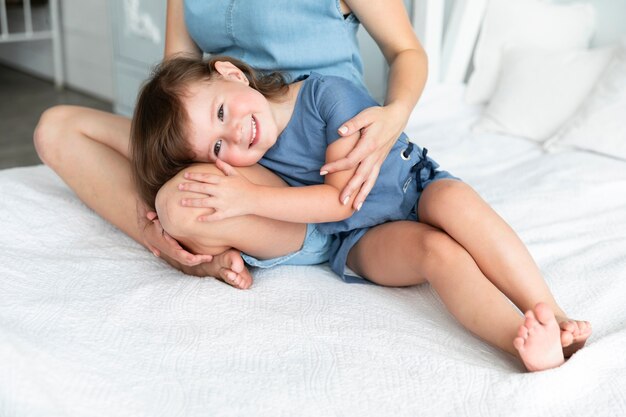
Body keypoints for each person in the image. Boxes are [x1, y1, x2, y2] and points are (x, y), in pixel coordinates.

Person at [132, 55, 591, 372]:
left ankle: (550, 310)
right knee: (436, 253)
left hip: (413, 188)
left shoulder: (325, 95)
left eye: (221, 111)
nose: (235, 134)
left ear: (232, 73)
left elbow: (340, 199)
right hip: (358, 240)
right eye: (216, 147)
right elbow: (339, 221)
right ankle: (525, 342)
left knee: (453, 203)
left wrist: (247, 200)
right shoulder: (253, 156)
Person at [33, 0, 427, 279]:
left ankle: (202, 239)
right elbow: (176, 80)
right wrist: (145, 202)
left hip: (312, 173)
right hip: (224, 144)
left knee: (179, 207)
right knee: (57, 128)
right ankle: (169, 244)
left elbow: (405, 49)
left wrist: (395, 115)